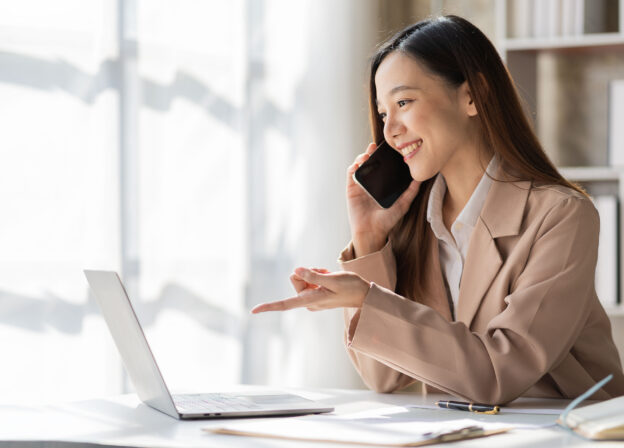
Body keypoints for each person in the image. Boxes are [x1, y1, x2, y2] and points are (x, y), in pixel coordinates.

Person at [251, 15, 624, 404]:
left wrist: (367, 298)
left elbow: (500, 374)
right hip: (465, 432)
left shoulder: (562, 216)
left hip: (565, 432)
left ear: (473, 95)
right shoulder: (414, 222)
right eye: (383, 114)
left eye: (404, 102)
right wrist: (368, 239)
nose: (390, 130)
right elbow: (384, 376)